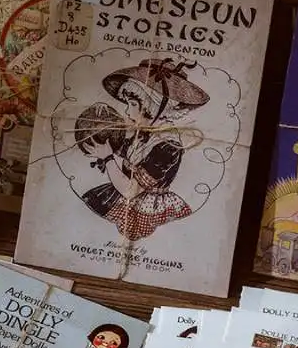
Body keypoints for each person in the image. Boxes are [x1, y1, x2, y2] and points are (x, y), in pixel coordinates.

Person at [74, 57, 209, 241]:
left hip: (148, 205)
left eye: (133, 104)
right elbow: (118, 150)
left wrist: (107, 158)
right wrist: (104, 120)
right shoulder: (141, 136)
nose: (127, 112)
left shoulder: (168, 147)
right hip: (123, 193)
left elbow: (131, 191)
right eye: (127, 104)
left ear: (154, 107)